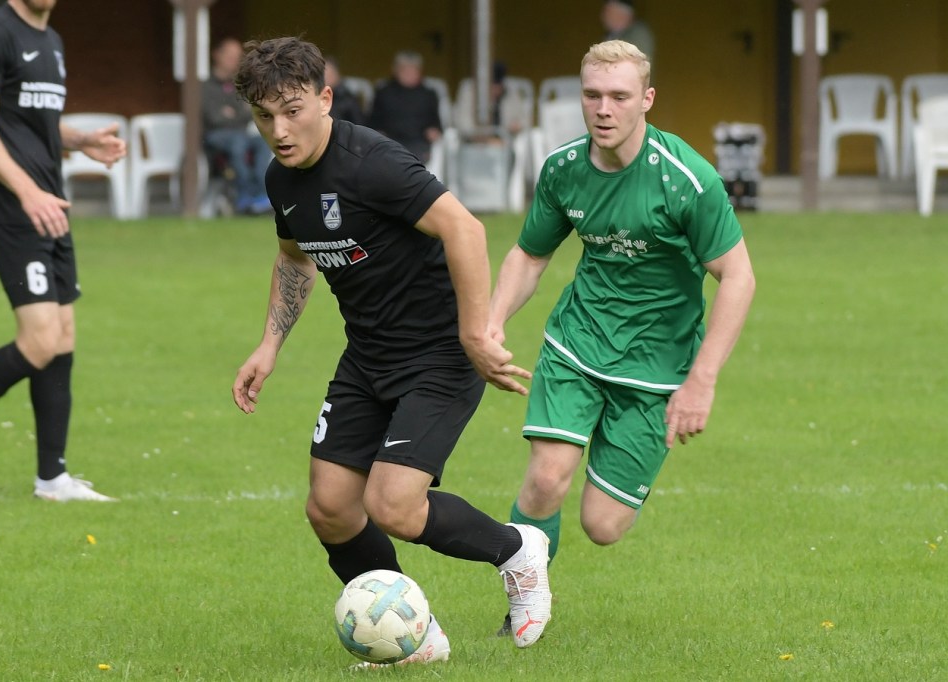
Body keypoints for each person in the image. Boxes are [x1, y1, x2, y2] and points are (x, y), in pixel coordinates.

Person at [230, 36, 552, 664]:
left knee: (394, 505)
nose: (280, 130)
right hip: (368, 356)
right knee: (330, 508)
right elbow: (294, 258)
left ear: (325, 98)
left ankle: (517, 551)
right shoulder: (279, 177)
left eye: (293, 111)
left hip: (438, 354)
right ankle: (413, 637)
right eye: (265, 116)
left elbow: (465, 228)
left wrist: (474, 333)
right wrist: (269, 345)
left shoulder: (371, 162)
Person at [489, 40, 755, 634]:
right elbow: (530, 256)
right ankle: (522, 604)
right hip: (578, 342)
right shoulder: (563, 169)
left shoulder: (687, 180)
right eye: (592, 95)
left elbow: (738, 277)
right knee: (546, 478)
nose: (604, 109)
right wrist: (492, 322)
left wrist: (702, 381)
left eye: (619, 96)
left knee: (603, 525)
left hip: (658, 367)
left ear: (647, 99)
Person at [0, 0, 125, 502]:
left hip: (49, 205)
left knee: (62, 336)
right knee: (39, 339)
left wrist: (82, 140)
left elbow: (34, 121)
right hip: (13, 209)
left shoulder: (50, 41)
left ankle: (52, 479)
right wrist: (27, 192)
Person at [202, 37, 273, 215]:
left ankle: (261, 195)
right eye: (230, 55)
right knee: (238, 142)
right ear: (217, 55)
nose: (234, 60)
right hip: (214, 137)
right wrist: (238, 114)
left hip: (241, 134)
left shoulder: (239, 85)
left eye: (237, 56)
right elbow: (214, 119)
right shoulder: (205, 86)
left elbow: (250, 113)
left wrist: (232, 114)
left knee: (263, 141)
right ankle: (243, 196)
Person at [367, 50, 442, 163]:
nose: (409, 74)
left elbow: (435, 123)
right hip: (389, 141)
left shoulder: (428, 94)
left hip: (418, 142)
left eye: (413, 70)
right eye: (405, 70)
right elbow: (373, 121)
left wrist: (434, 131)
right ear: (396, 70)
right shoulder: (384, 92)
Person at [324, 56, 365, 125]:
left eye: (329, 75)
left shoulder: (348, 99)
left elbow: (359, 124)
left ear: (337, 75)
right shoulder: (318, 97)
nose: (325, 79)